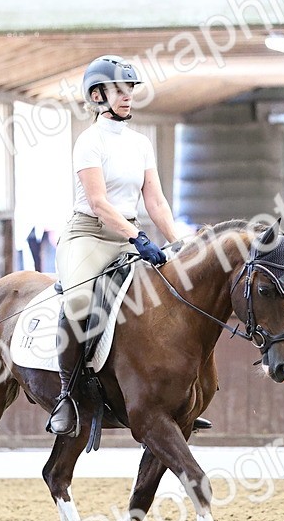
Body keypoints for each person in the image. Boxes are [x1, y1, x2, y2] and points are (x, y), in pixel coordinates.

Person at [46, 55, 182, 437]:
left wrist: (178, 243)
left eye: (130, 89)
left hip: (128, 236)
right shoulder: (89, 142)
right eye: (119, 90)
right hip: (89, 235)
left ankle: (169, 396)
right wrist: (138, 238)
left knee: (163, 298)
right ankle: (67, 395)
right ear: (97, 95)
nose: (127, 97)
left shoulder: (141, 144)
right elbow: (99, 203)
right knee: (77, 303)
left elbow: (155, 201)